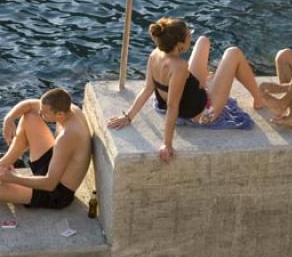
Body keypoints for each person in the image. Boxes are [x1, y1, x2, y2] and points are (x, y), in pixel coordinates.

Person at [106, 17, 265, 163]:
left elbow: (148, 89)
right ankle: (259, 99)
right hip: (204, 113)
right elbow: (172, 106)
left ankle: (208, 82)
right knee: (234, 53)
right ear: (180, 44)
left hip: (191, 97)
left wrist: (128, 116)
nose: (191, 37)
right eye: (189, 35)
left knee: (203, 41)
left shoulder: (155, 54)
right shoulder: (179, 67)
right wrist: (166, 144)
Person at [0, 88, 91, 210]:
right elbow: (29, 105)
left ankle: (10, 176)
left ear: (59, 114)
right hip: (55, 164)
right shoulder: (69, 108)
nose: (40, 113)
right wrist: (9, 118)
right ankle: (2, 163)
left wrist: (13, 178)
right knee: (29, 117)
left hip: (56, 192)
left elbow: (50, 184)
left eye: (44, 113)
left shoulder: (68, 135)